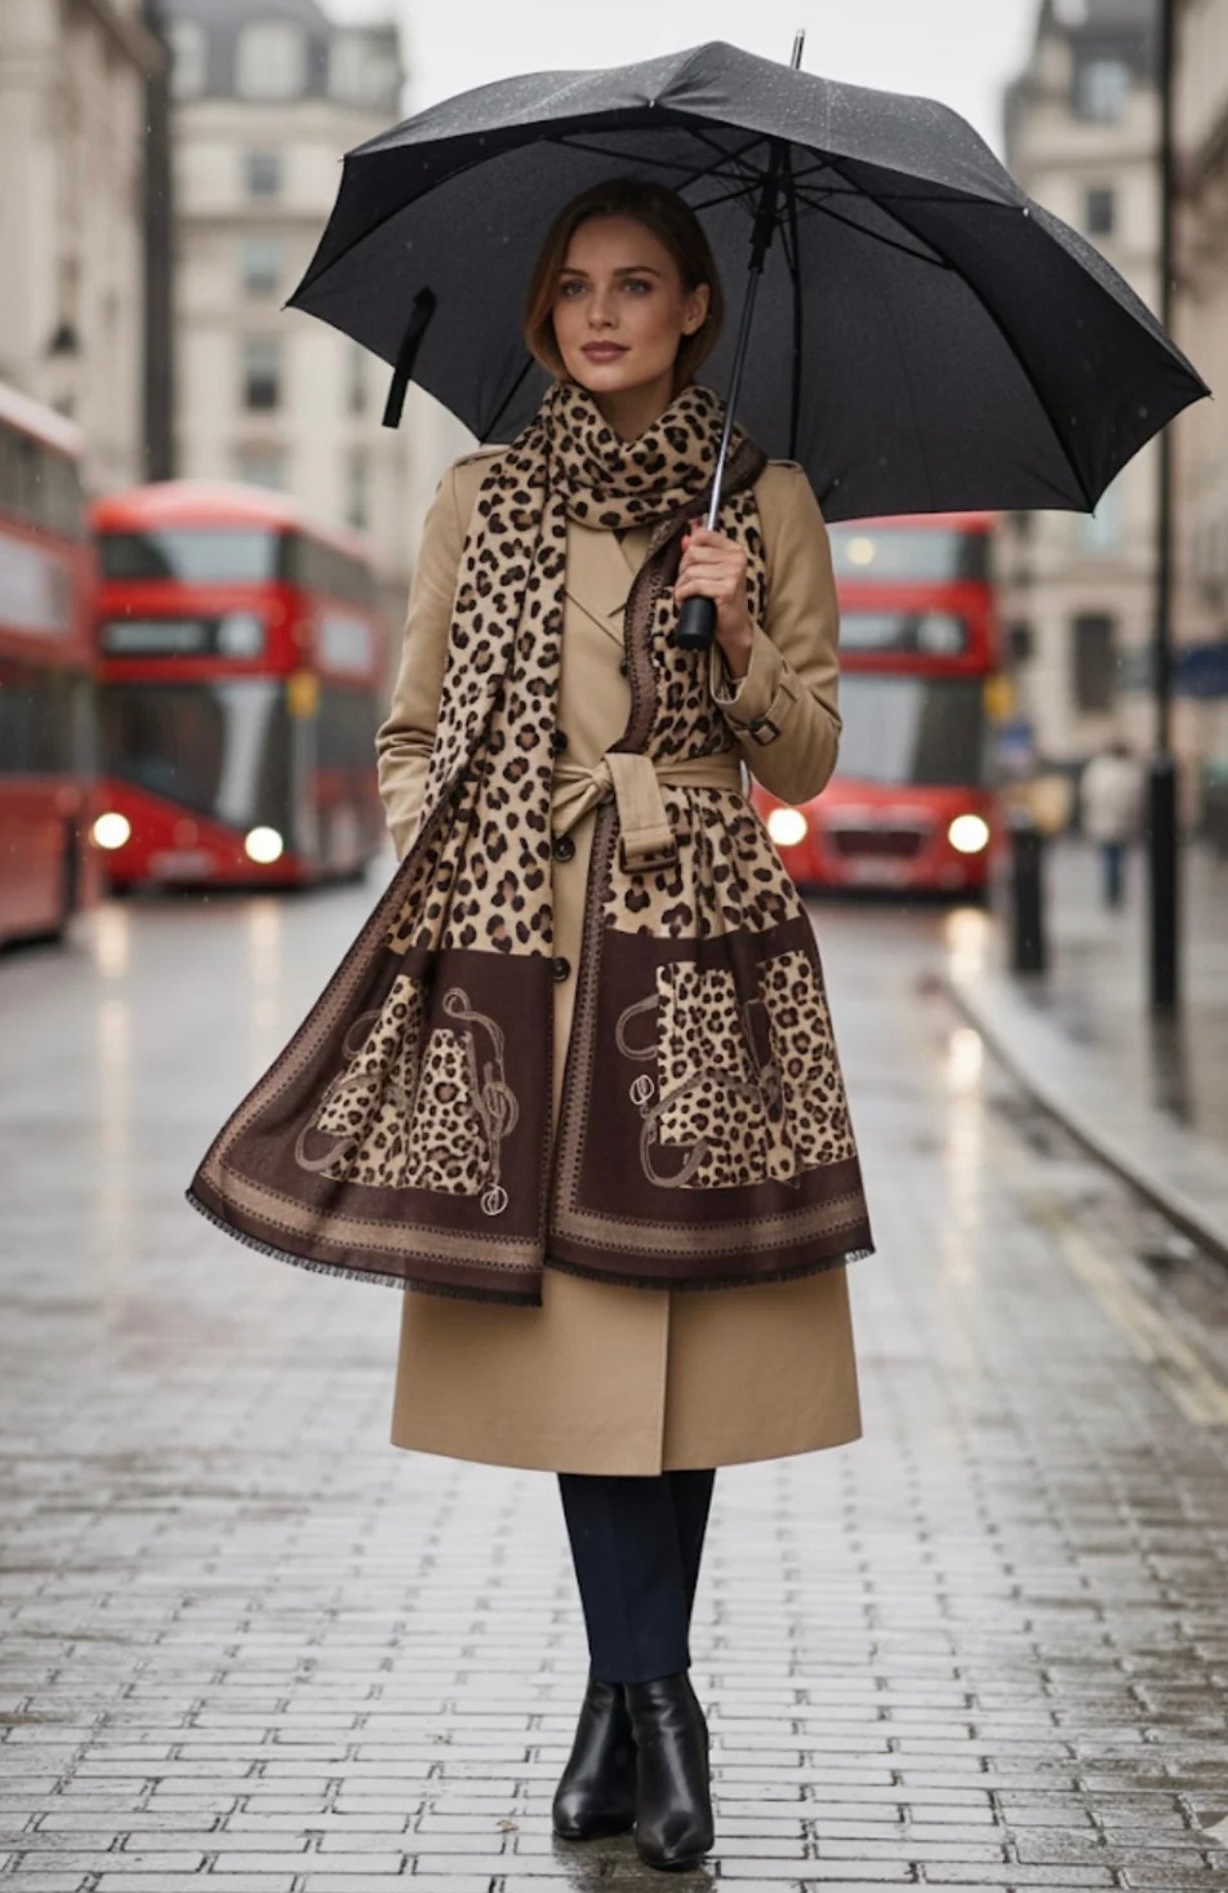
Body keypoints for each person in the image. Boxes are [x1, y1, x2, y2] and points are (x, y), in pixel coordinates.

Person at [189, 175, 874, 1873]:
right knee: (580, 1348)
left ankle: (636, 1701)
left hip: (706, 935)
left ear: (697, 307)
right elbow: (412, 723)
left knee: (682, 1340)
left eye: (639, 284)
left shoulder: (765, 500)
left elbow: (809, 760)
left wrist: (733, 641)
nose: (602, 312)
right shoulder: (478, 496)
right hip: (526, 947)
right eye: (577, 285)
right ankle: (649, 1698)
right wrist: (446, 834)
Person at [1079, 738, 1145, 908]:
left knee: (1109, 857)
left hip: (1103, 821)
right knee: (1118, 857)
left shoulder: (1098, 769)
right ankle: (1115, 890)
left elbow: (1088, 794)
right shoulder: (1130, 771)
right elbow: (1135, 799)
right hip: (1121, 823)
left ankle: (1111, 890)